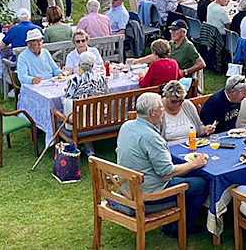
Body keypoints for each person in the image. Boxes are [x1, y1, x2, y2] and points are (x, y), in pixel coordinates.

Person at [114, 92, 209, 237]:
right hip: (148, 192)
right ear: (152, 112)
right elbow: (167, 172)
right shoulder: (152, 137)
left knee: (188, 177)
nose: (163, 111)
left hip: (127, 186)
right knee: (201, 184)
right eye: (161, 108)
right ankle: (180, 229)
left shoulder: (127, 126)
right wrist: (195, 164)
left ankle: (172, 224)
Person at [62, 51, 108, 157]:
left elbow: (68, 98)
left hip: (81, 122)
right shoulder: (101, 79)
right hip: (99, 118)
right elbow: (105, 97)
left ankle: (87, 147)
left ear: (79, 65)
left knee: (67, 107)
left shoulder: (74, 80)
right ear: (92, 65)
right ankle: (89, 147)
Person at [127, 20, 206, 78]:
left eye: (175, 30)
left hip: (177, 79)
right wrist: (137, 61)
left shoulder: (188, 47)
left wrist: (185, 72)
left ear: (183, 32)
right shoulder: (171, 43)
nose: (172, 32)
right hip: (166, 74)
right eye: (172, 30)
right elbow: (156, 55)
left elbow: (201, 64)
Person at [157, 80, 216, 146]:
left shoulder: (187, 105)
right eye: (174, 101)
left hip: (193, 146)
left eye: (180, 101)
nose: (178, 104)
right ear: (165, 96)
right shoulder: (159, 109)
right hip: (170, 149)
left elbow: (199, 127)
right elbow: (156, 139)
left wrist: (205, 130)